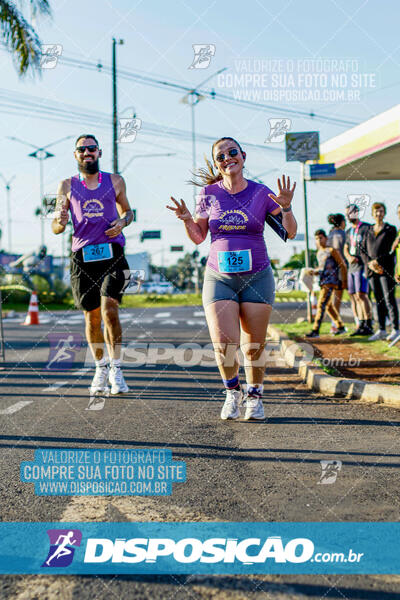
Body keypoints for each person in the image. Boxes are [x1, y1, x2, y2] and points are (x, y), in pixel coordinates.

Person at [167, 136, 297, 420]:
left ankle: (255, 396)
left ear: (243, 156)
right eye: (221, 156)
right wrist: (188, 219)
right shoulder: (208, 194)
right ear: (217, 164)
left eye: (232, 152)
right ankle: (231, 393)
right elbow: (199, 237)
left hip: (257, 276)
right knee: (224, 343)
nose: (227, 158)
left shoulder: (262, 193)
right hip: (219, 277)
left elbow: (290, 233)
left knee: (254, 345)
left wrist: (286, 208)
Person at [52, 135, 134, 395]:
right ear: (75, 155)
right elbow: (56, 227)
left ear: (99, 152)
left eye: (91, 148)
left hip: (113, 254)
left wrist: (122, 223)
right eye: (81, 149)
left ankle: (117, 370)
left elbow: (129, 212)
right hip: (83, 257)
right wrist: (61, 220)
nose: (87, 152)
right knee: (92, 316)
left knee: (109, 308)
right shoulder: (66, 185)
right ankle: (101, 367)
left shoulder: (115, 181)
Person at [364, 202, 399, 342]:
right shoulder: (368, 230)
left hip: (386, 270)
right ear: (372, 214)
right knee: (378, 300)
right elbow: (363, 250)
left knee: (389, 299)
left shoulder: (390, 229)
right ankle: (382, 329)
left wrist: (378, 261)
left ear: (384, 213)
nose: (379, 214)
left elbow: (392, 251)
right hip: (372, 271)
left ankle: (396, 328)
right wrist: (369, 263)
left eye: (381, 211)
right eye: (376, 211)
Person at [306, 229, 347, 338]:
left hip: (331, 282)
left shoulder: (332, 250)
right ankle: (341, 326)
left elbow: (342, 265)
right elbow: (322, 268)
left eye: (321, 238)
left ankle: (315, 330)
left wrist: (344, 281)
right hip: (323, 281)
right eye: (316, 239)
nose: (319, 240)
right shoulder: (319, 253)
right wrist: (314, 272)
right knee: (328, 306)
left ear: (326, 238)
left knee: (321, 304)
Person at [343, 204, 373, 335]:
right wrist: (348, 257)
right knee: (354, 296)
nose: (348, 216)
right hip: (351, 267)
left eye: (350, 213)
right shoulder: (349, 231)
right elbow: (345, 247)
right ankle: (359, 323)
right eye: (347, 214)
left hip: (362, 265)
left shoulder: (366, 227)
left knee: (362, 295)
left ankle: (368, 323)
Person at [327, 213, 347, 333]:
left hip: (330, 269)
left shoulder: (330, 234)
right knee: (337, 300)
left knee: (333, 299)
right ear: (342, 222)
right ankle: (335, 325)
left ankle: (334, 325)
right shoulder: (342, 234)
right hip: (340, 268)